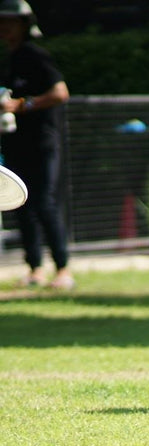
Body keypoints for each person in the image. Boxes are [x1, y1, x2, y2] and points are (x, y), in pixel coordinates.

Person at [0, 0, 72, 289]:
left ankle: (64, 270)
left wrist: (23, 104)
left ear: (24, 24)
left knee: (44, 203)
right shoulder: (10, 58)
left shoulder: (34, 55)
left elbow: (60, 92)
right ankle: (35, 270)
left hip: (42, 143)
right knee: (23, 205)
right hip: (16, 142)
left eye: (11, 21)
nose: (4, 26)